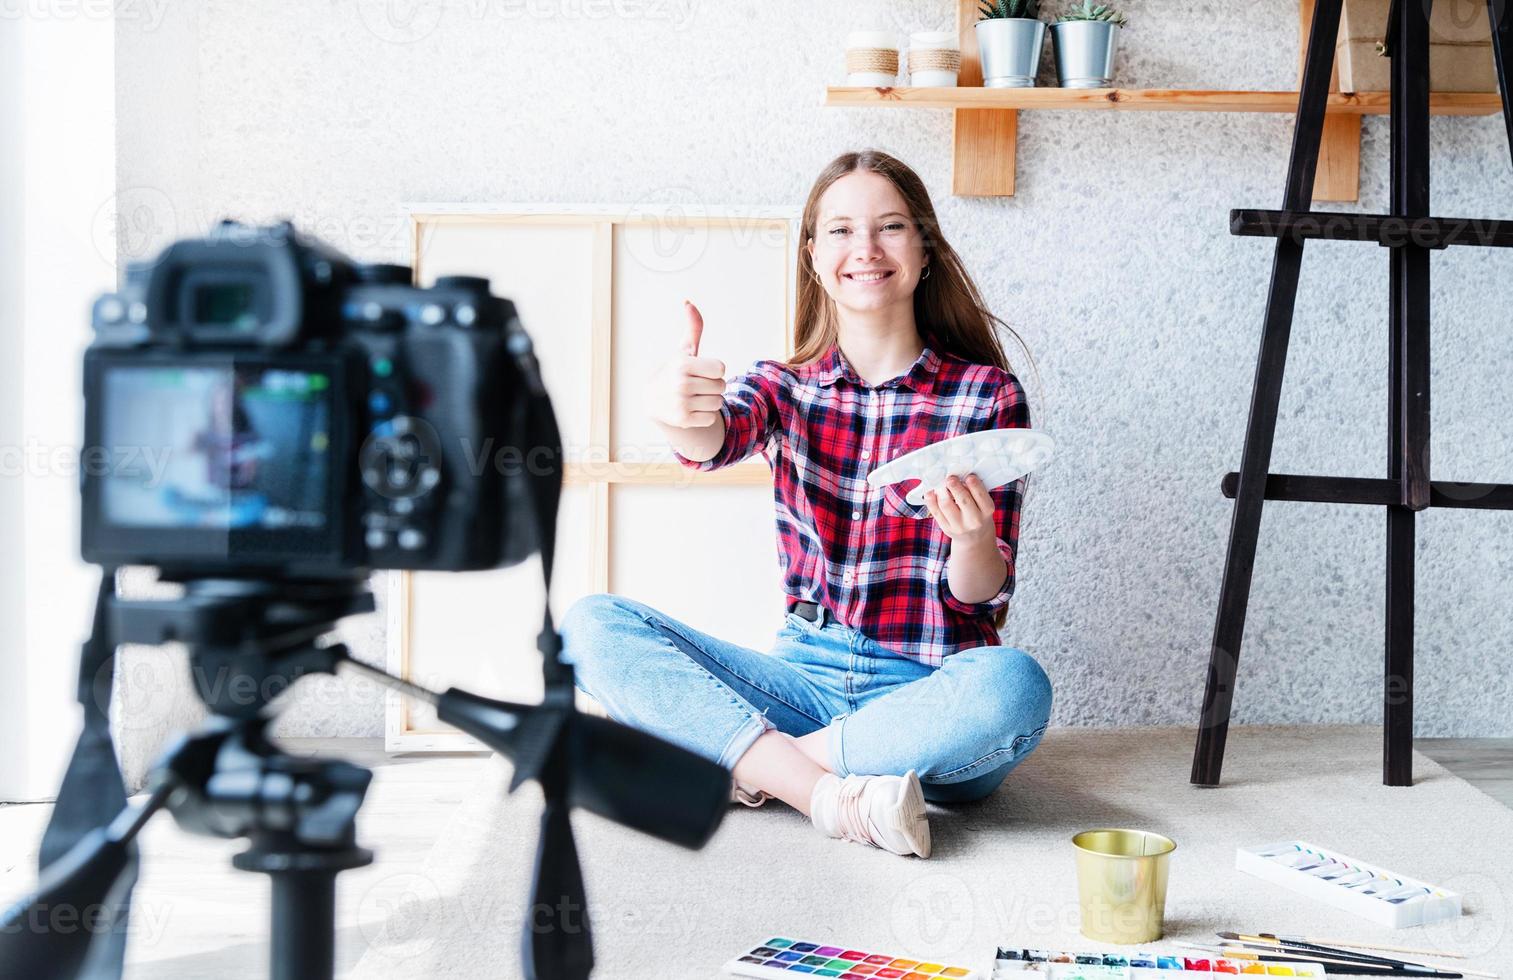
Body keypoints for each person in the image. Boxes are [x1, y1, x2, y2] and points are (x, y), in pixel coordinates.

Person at [559, 149, 1052, 859]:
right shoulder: (783, 387)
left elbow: (980, 595)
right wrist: (677, 412)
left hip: (929, 693)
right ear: (814, 255)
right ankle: (827, 795)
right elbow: (711, 438)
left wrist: (972, 542)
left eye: (889, 228)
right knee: (589, 625)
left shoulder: (985, 394)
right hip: (801, 676)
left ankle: (758, 768)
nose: (866, 250)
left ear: (924, 248)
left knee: (1013, 687)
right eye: (841, 231)